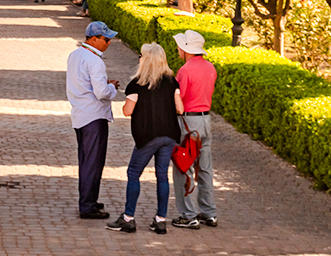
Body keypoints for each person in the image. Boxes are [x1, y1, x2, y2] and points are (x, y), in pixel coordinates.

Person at [107, 43, 185, 234]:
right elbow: (180, 109)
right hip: (169, 134)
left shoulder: (137, 84)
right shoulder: (172, 82)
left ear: (146, 60)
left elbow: (127, 111)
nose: (139, 58)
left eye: (141, 56)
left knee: (134, 173)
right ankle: (160, 220)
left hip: (147, 136)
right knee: (162, 176)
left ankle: (128, 218)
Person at [67, 20, 120, 220]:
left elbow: (82, 82)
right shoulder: (95, 61)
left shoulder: (75, 55)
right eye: (106, 39)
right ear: (94, 39)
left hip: (80, 114)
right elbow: (101, 93)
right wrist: (112, 88)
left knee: (86, 160)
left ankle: (89, 199)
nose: (109, 43)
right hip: (94, 117)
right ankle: (87, 206)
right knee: (93, 162)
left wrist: (104, 84)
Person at [170, 30, 218, 230]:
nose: (178, 49)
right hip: (206, 120)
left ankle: (188, 215)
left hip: (189, 122)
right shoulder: (210, 68)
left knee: (184, 168)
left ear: (186, 49)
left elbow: (179, 100)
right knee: (204, 169)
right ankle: (209, 213)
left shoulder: (185, 70)